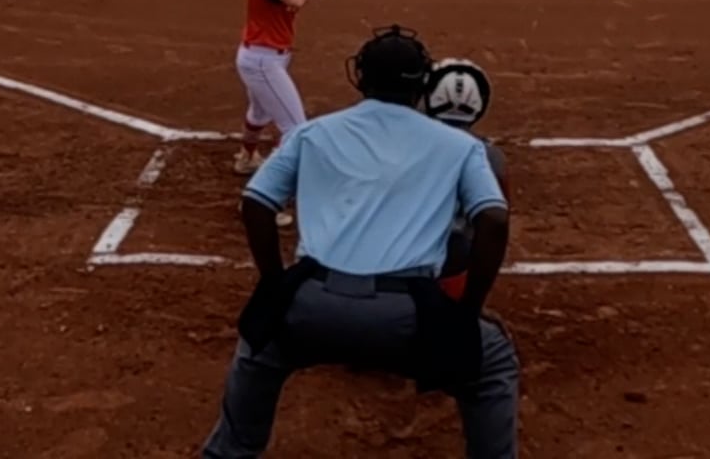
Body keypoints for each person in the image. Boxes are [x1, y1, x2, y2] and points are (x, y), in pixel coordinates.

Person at [202, 25, 519, 459]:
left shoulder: (312, 133)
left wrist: (275, 285)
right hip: (406, 317)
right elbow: (494, 220)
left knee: (258, 347)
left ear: (361, 78)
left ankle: (228, 453)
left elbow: (255, 203)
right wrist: (466, 311)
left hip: (310, 306)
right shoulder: (461, 146)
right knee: (493, 361)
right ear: (423, 86)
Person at [234, 0, 338, 177]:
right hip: (262, 60)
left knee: (259, 114)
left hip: (267, 56)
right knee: (295, 128)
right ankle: (272, 188)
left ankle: (246, 158)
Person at [421, 58, 509, 302]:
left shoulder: (410, 147)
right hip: (456, 265)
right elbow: (498, 218)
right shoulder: (491, 156)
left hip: (407, 266)